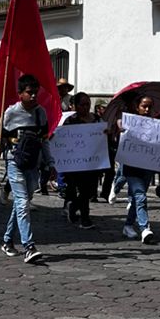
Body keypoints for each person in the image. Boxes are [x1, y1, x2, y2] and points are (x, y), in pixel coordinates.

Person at [1, 73, 50, 263]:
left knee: (22, 203)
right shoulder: (10, 113)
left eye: (36, 92)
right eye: (30, 92)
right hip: (15, 161)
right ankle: (29, 246)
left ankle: (7, 240)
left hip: (33, 164)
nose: (34, 96)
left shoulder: (41, 113)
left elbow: (44, 141)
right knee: (22, 203)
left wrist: (50, 163)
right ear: (20, 93)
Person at [117, 93, 158, 245]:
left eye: (149, 107)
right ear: (137, 107)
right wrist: (121, 130)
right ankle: (145, 228)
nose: (147, 110)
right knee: (140, 196)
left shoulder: (156, 124)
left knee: (137, 198)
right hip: (131, 166)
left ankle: (128, 225)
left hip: (147, 166)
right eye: (144, 106)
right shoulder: (128, 122)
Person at [61, 92, 101, 227]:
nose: (85, 107)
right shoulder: (70, 121)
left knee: (90, 191)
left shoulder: (97, 119)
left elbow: (104, 134)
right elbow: (63, 139)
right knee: (83, 189)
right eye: (82, 105)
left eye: (88, 104)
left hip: (93, 161)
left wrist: (106, 133)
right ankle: (85, 218)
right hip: (76, 163)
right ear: (75, 106)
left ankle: (73, 206)